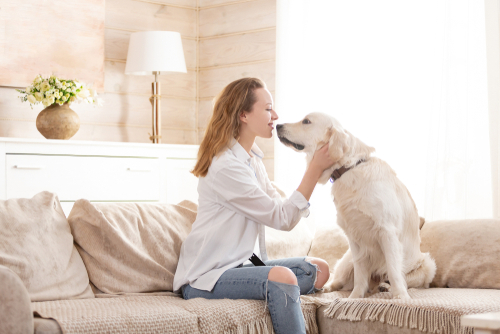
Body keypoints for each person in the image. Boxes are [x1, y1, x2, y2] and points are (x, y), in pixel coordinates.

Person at [173, 77, 335, 334]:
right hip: (206, 276)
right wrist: (314, 168)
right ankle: (274, 288)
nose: (276, 115)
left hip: (239, 264)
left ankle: (269, 288)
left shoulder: (252, 159)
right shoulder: (226, 166)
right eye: (268, 108)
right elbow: (281, 219)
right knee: (284, 277)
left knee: (319, 270)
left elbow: (280, 208)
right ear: (244, 115)